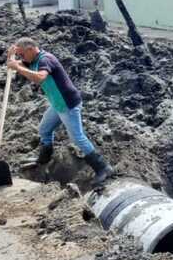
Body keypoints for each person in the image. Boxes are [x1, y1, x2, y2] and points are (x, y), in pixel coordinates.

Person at [7, 37, 114, 187]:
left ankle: (103, 168)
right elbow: (18, 64)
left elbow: (39, 77)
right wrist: (11, 57)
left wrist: (17, 67)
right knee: (44, 129)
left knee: (77, 138)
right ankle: (43, 160)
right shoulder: (33, 59)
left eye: (22, 54)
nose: (21, 58)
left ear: (31, 49)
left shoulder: (46, 60)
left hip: (68, 104)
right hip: (58, 104)